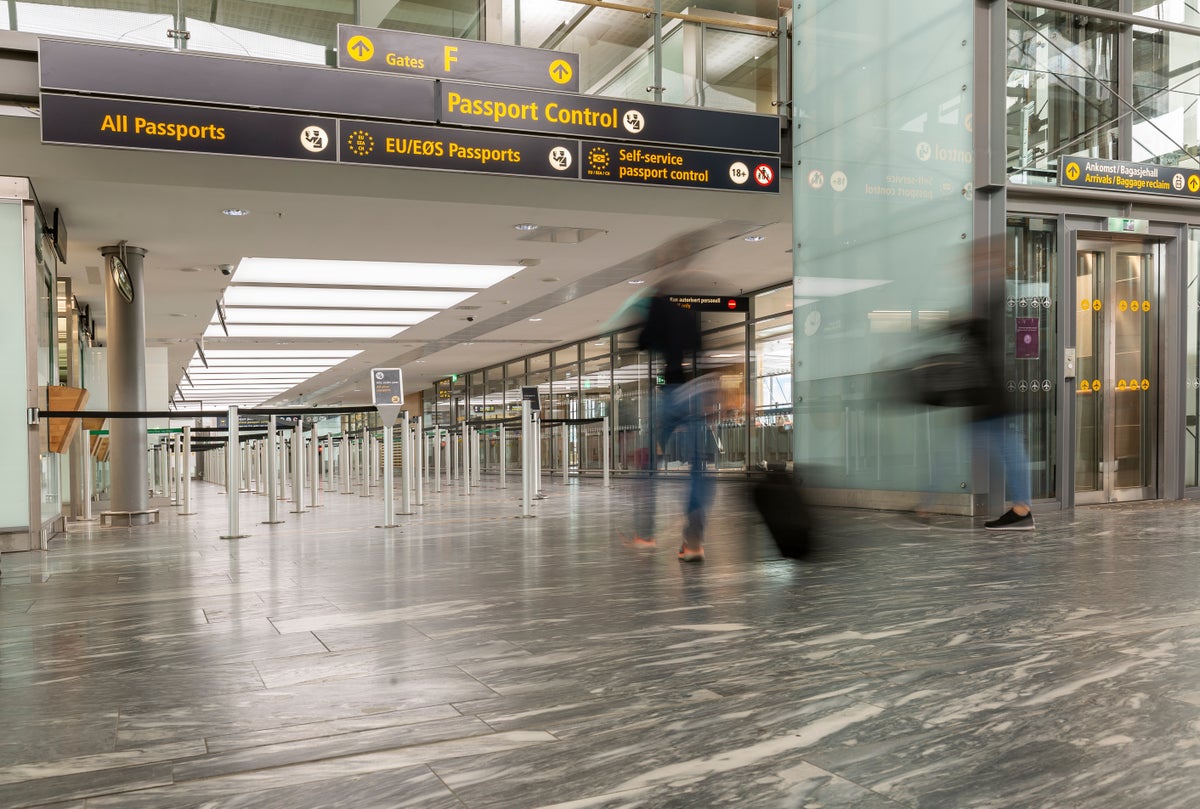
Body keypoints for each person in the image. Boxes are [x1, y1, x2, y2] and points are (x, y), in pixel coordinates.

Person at [630, 272, 718, 561]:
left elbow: (642, 342)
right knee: (698, 468)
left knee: (648, 466)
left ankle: (646, 534)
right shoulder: (688, 316)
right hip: (694, 395)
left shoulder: (656, 310)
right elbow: (699, 350)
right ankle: (693, 541)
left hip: (669, 393)